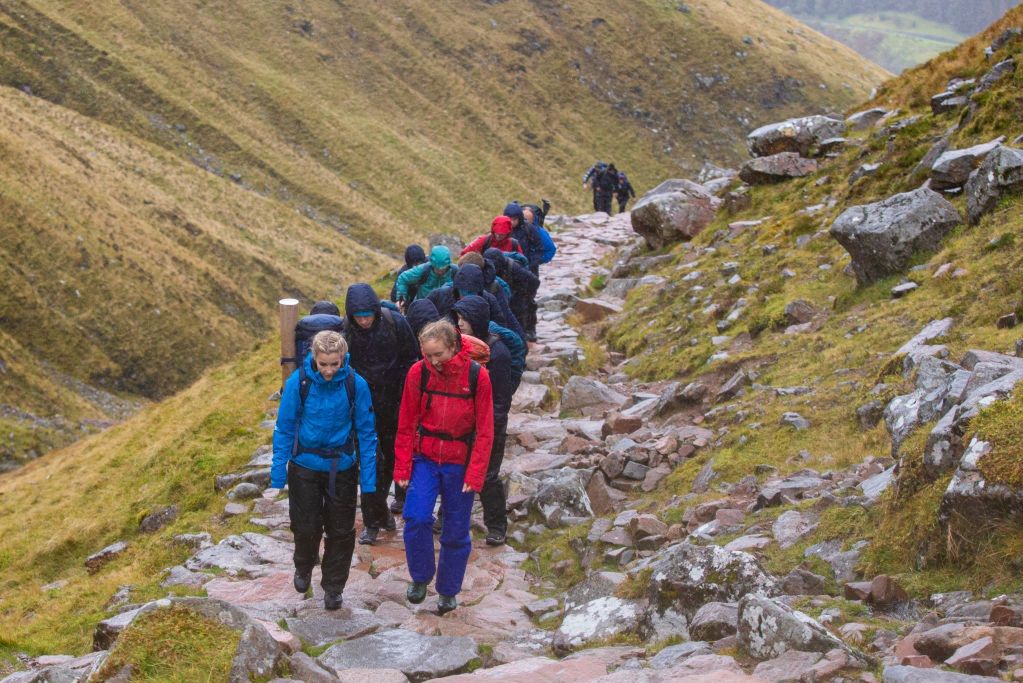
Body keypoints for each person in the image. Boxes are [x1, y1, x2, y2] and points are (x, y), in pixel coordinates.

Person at [268, 331, 378, 611]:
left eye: (334, 364)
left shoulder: (356, 385)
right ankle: (304, 565)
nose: (329, 371)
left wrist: (368, 481)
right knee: (305, 526)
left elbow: (366, 432)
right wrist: (278, 472)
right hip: (304, 466)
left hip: (342, 467)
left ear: (343, 359)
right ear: (313, 359)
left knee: (341, 531)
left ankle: (333, 586)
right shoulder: (299, 383)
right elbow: (285, 426)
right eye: (323, 364)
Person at [394, 320, 494, 615]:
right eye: (427, 354)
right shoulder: (418, 372)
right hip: (424, 458)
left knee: (455, 531)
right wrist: (401, 468)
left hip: (459, 462)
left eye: (438, 354)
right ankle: (421, 576)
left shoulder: (478, 377)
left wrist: (476, 474)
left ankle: (448, 591)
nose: (433, 361)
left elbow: (486, 430)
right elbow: (406, 422)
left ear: (454, 346)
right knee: (416, 518)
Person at [343, 284, 419, 545]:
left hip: (395, 404)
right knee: (370, 464)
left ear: (375, 310)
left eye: (367, 315)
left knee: (392, 462)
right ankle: (372, 522)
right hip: (363, 410)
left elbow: (412, 360)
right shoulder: (346, 333)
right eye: (358, 316)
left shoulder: (395, 324)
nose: (363, 321)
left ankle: (384, 512)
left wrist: (406, 395)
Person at [452, 296, 513, 546]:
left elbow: (501, 399)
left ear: (477, 320)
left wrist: (489, 426)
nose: (460, 324)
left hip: (490, 426)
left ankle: (497, 525)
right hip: (461, 424)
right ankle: (449, 518)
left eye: (464, 319)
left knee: (487, 476)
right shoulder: (458, 346)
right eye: (458, 319)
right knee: (455, 472)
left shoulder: (497, 352)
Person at [483, 247, 538, 340]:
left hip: (517, 295)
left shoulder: (514, 268)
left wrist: (526, 295)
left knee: (518, 319)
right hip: (502, 295)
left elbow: (534, 282)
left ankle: (524, 337)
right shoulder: (486, 268)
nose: (491, 268)